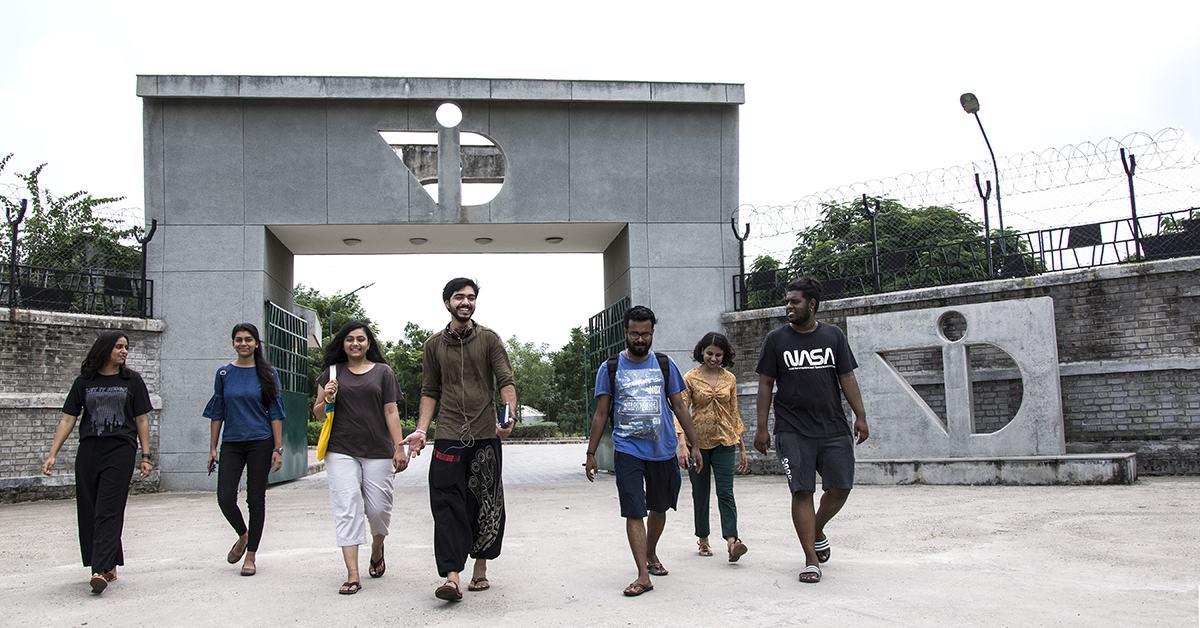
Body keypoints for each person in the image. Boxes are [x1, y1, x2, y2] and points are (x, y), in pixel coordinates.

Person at [404, 278, 516, 602]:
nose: (465, 302)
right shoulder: (433, 345)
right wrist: (422, 430)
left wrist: (507, 416)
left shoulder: (490, 340)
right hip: (449, 436)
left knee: (485, 502)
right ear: (447, 303)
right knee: (446, 503)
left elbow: (506, 381)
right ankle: (452, 577)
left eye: (470, 297)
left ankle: (480, 567)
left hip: (485, 435)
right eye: (459, 297)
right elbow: (430, 391)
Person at [754, 277, 869, 584]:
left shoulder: (834, 336)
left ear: (812, 304)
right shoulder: (776, 340)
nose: (788, 306)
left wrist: (860, 415)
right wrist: (762, 427)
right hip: (792, 429)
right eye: (787, 301)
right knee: (802, 490)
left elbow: (847, 377)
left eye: (795, 301)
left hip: (833, 426)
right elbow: (765, 384)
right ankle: (810, 558)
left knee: (840, 488)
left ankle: (816, 529)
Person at [585, 305, 704, 597]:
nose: (640, 339)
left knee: (659, 507)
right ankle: (642, 574)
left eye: (645, 334)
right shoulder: (610, 368)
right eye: (635, 334)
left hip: (662, 449)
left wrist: (694, 443)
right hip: (627, 449)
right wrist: (591, 453)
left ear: (652, 334)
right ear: (626, 333)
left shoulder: (664, 364)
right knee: (634, 510)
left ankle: (651, 553)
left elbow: (679, 406)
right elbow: (601, 413)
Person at [43, 331, 154, 594]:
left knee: (109, 508)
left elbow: (141, 419)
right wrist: (52, 454)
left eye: (126, 347)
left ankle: (100, 569)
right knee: (90, 508)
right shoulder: (84, 381)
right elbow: (68, 419)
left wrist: (146, 456)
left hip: (121, 449)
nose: (124, 351)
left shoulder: (132, 380)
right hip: (90, 450)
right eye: (119, 346)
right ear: (105, 349)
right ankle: (110, 563)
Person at [313, 321, 409, 595]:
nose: (355, 344)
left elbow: (391, 411)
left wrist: (398, 447)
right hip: (340, 450)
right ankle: (353, 573)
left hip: (378, 451)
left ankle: (377, 547)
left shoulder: (383, 372)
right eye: (349, 339)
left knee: (378, 510)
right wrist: (327, 397)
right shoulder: (331, 373)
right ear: (342, 344)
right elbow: (318, 413)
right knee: (347, 507)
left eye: (361, 339)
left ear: (369, 343)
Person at [203, 323, 287, 576]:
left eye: (248, 339)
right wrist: (212, 448)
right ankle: (243, 534)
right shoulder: (223, 374)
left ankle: (251, 555)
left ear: (256, 343)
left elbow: (275, 412)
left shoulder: (268, 374)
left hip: (260, 442)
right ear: (233, 343)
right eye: (238, 339)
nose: (243, 344)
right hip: (232, 443)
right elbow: (217, 412)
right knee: (225, 497)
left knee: (255, 499)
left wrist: (278, 448)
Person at [675, 331, 749, 562]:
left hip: (725, 441)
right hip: (697, 443)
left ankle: (732, 541)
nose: (713, 358)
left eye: (718, 355)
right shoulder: (690, 378)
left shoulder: (730, 379)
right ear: (701, 352)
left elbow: (734, 412)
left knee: (726, 492)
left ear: (724, 355)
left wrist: (742, 446)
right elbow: (681, 411)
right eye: (709, 353)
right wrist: (682, 445)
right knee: (701, 492)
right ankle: (703, 538)